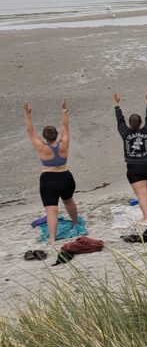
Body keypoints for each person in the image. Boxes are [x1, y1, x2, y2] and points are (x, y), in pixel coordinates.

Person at [24, 99, 79, 244]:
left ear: (45, 137)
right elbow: (65, 126)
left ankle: (52, 238)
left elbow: (30, 131)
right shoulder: (64, 144)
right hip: (66, 177)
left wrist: (28, 115)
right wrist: (64, 110)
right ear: (56, 134)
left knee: (51, 210)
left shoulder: (42, 148)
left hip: (49, 179)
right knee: (69, 201)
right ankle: (76, 223)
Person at [114, 91, 147, 223]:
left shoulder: (125, 133)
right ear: (140, 123)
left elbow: (119, 120)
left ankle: (146, 217)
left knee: (141, 193)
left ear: (130, 123)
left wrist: (116, 104)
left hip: (135, 169)